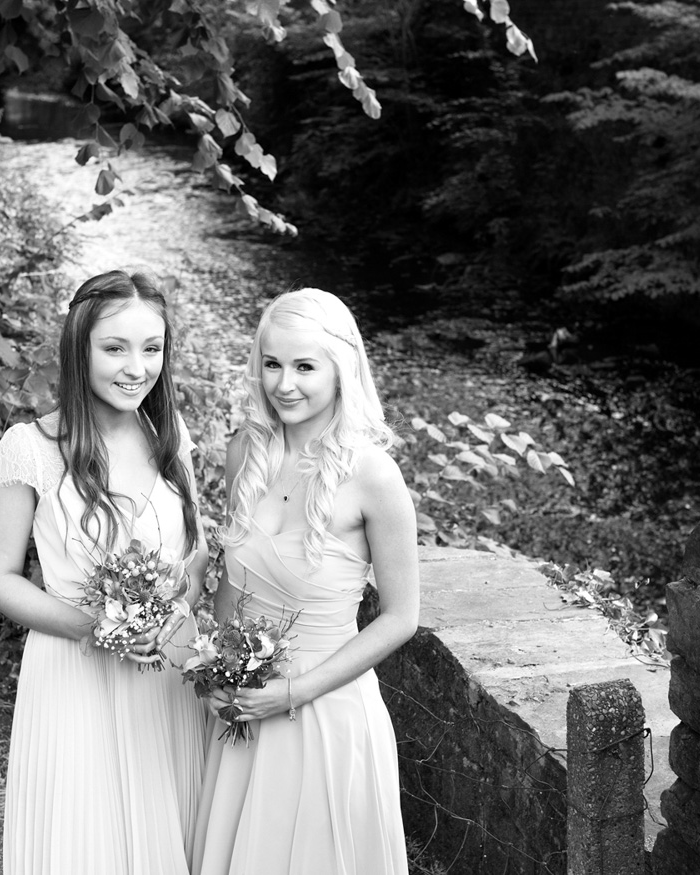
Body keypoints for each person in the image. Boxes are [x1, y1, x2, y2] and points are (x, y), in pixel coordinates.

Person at [0, 270, 209, 875]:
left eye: (152, 348)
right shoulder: (29, 447)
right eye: (115, 348)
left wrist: (174, 609)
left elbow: (199, 550)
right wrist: (95, 627)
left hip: (164, 672)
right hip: (74, 672)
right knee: (86, 839)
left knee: (166, 828)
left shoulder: (169, 435)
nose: (137, 367)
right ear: (78, 349)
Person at [192, 288, 420, 875]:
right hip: (242, 706)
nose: (284, 384)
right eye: (272, 364)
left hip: (324, 712)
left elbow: (400, 617)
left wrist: (293, 692)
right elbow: (232, 586)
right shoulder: (247, 449)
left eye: (304, 367)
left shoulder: (373, 476)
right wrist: (215, 672)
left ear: (341, 371)